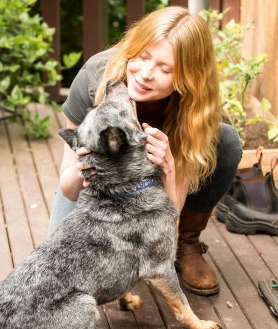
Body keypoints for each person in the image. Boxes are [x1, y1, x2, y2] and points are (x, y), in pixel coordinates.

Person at [48, 6, 242, 296]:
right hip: (98, 191)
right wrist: (82, 166)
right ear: (133, 48)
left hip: (150, 192)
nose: (145, 74)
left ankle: (186, 244)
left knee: (227, 141)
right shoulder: (95, 78)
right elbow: (68, 188)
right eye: (142, 57)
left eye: (165, 69)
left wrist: (169, 166)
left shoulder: (193, 110)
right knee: (59, 269)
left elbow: (171, 210)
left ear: (187, 78)